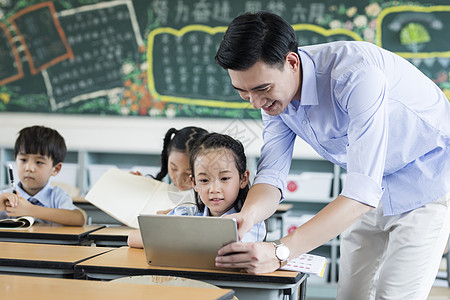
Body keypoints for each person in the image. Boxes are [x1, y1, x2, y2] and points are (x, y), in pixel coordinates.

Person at [213, 11, 450, 300]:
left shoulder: (355, 75)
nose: (255, 103)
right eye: (243, 92)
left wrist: (280, 251)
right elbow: (272, 175)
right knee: (351, 295)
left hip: (426, 179)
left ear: (291, 62)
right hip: (368, 185)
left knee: (394, 295)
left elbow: (361, 193)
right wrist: (247, 216)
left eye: (262, 89)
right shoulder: (272, 100)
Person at [128, 133, 266, 248]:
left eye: (224, 178)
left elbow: (228, 248)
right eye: (204, 181)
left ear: (243, 179)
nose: (214, 189)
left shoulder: (250, 221)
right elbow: (133, 238)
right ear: (194, 182)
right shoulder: (188, 213)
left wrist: (175, 236)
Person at [0, 125, 85, 225]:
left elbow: (78, 218)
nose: (29, 168)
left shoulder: (56, 196)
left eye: (39, 162)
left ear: (56, 169)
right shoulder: (4, 196)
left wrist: (31, 210)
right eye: (23, 160)